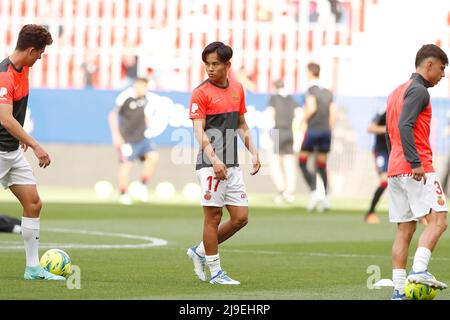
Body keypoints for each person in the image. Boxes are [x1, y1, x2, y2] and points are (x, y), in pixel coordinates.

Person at [186, 41, 261, 285]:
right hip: (210, 164)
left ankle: (199, 251)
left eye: (215, 64)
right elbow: (199, 131)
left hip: (233, 164)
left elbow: (241, 124)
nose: (209, 68)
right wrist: (215, 159)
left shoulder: (238, 88)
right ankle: (216, 272)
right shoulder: (200, 93)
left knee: (241, 217)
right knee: (213, 217)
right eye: (207, 64)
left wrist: (254, 152)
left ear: (227, 65)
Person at [0, 24, 64, 280]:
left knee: (33, 204)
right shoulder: (4, 75)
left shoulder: (23, 69)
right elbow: (5, 118)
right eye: (40, 53)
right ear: (29, 50)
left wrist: (21, 137)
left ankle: (33, 268)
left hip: (11, 151)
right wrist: (35, 144)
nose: (40, 57)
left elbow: (13, 115)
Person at [386, 44, 448, 300]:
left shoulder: (395, 92)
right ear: (429, 65)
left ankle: (399, 290)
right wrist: (414, 162)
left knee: (405, 230)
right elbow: (405, 125)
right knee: (439, 220)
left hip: (395, 169)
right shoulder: (420, 91)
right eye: (442, 69)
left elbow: (392, 132)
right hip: (417, 168)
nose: (443, 75)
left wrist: (396, 162)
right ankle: (419, 271)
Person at [108, 78, 160, 205]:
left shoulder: (146, 98)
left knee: (153, 156)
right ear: (136, 86)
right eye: (143, 87)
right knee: (127, 164)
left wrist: (149, 126)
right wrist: (116, 136)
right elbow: (113, 115)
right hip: (127, 139)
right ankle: (123, 193)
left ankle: (143, 185)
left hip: (142, 137)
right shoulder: (125, 97)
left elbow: (144, 113)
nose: (145, 90)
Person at [299, 62, 337, 212]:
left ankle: (314, 191)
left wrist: (303, 121)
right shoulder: (328, 92)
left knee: (302, 161)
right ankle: (326, 198)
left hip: (313, 130)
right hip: (326, 131)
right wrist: (329, 128)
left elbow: (311, 107)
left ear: (309, 73)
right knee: (321, 165)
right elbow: (333, 113)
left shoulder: (310, 90)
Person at [267, 79, 300, 203]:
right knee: (289, 164)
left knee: (274, 163)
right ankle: (290, 193)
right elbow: (299, 115)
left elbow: (271, 114)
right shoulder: (292, 100)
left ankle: (282, 191)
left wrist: (268, 133)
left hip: (277, 132)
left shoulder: (273, 98)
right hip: (289, 132)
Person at [365, 110, 388, 224]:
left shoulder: (405, 113)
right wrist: (387, 129)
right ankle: (370, 212)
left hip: (395, 152)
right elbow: (370, 128)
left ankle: (417, 215)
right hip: (381, 151)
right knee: (384, 181)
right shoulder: (382, 114)